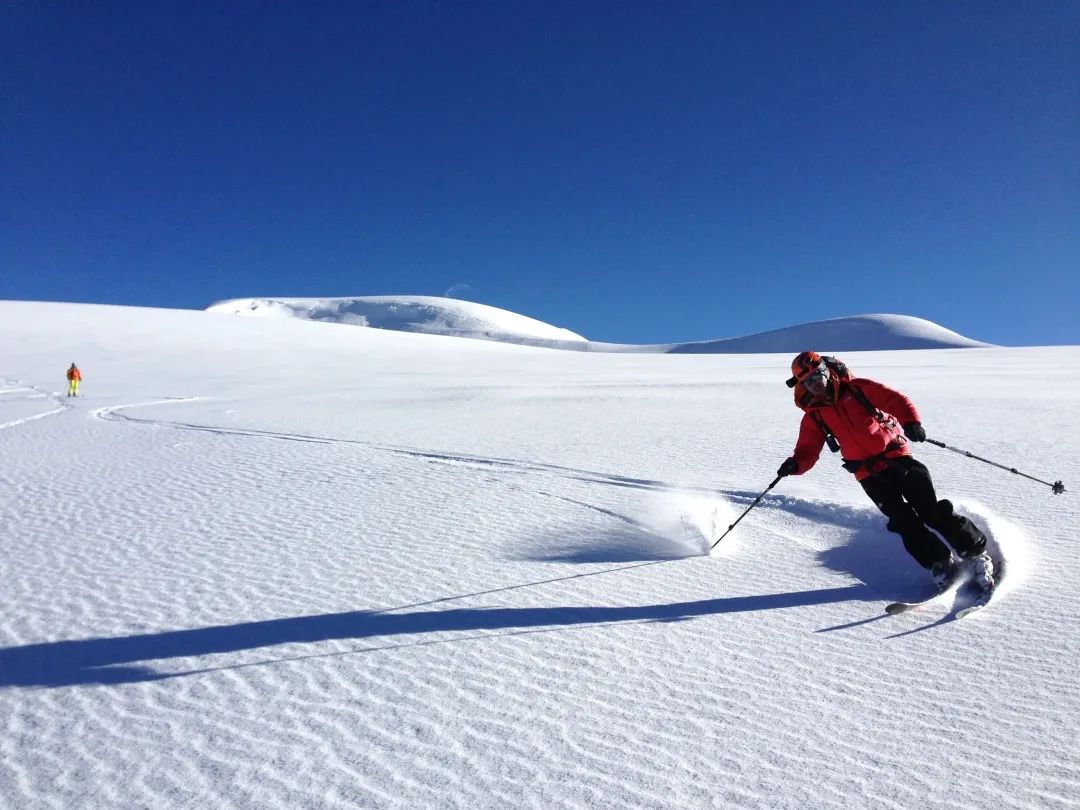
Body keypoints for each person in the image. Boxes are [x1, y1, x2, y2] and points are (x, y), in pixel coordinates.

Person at [776, 351, 992, 591]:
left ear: (826, 371)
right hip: (868, 474)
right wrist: (795, 464)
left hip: (897, 458)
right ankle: (938, 562)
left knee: (930, 510)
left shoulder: (857, 389)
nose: (816, 385)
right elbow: (808, 448)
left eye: (818, 376)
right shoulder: (814, 416)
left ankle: (975, 552)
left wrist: (912, 422)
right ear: (802, 385)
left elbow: (894, 400)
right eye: (809, 382)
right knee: (903, 521)